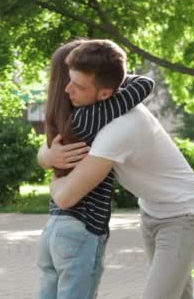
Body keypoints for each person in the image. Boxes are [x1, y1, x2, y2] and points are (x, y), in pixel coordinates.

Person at [39, 41, 194, 299]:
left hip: (184, 215)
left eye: (78, 86)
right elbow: (130, 80)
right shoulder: (107, 104)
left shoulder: (117, 129)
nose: (67, 90)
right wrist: (47, 155)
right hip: (152, 213)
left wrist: (52, 179)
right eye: (69, 79)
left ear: (105, 93)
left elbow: (65, 197)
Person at [38, 38, 155, 299]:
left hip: (53, 229)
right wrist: (106, 75)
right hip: (82, 228)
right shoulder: (93, 116)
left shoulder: (61, 121)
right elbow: (145, 84)